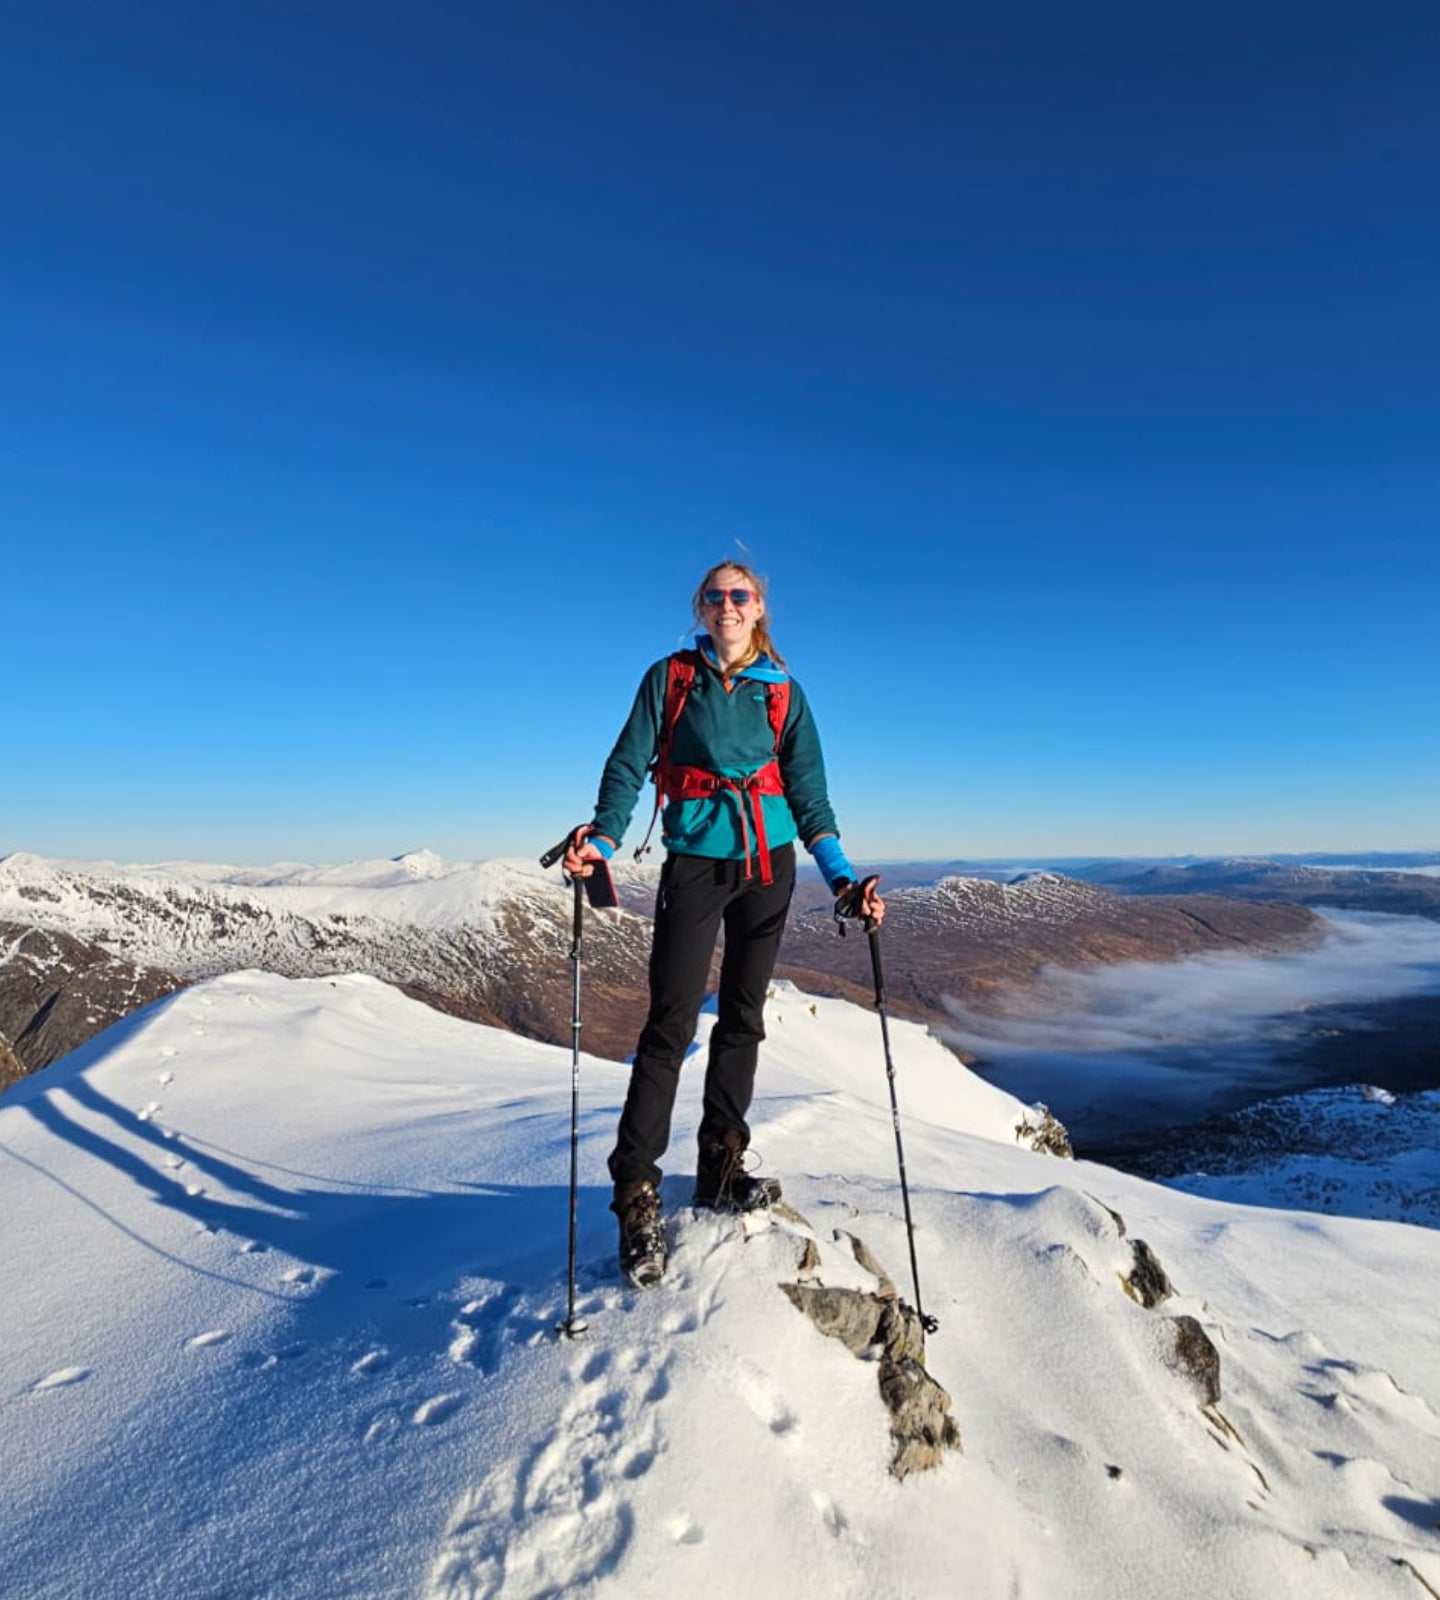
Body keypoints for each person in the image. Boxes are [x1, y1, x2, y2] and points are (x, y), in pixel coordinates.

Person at [564, 560, 884, 1285]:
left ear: (760, 606)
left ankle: (719, 1168)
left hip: (770, 868)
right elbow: (627, 765)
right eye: (715, 596)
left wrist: (841, 882)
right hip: (697, 864)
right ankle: (635, 1192)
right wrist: (604, 838)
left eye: (740, 595)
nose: (728, 605)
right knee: (671, 1023)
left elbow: (810, 799)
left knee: (743, 1018)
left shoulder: (784, 693)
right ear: (701, 608)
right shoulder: (671, 678)